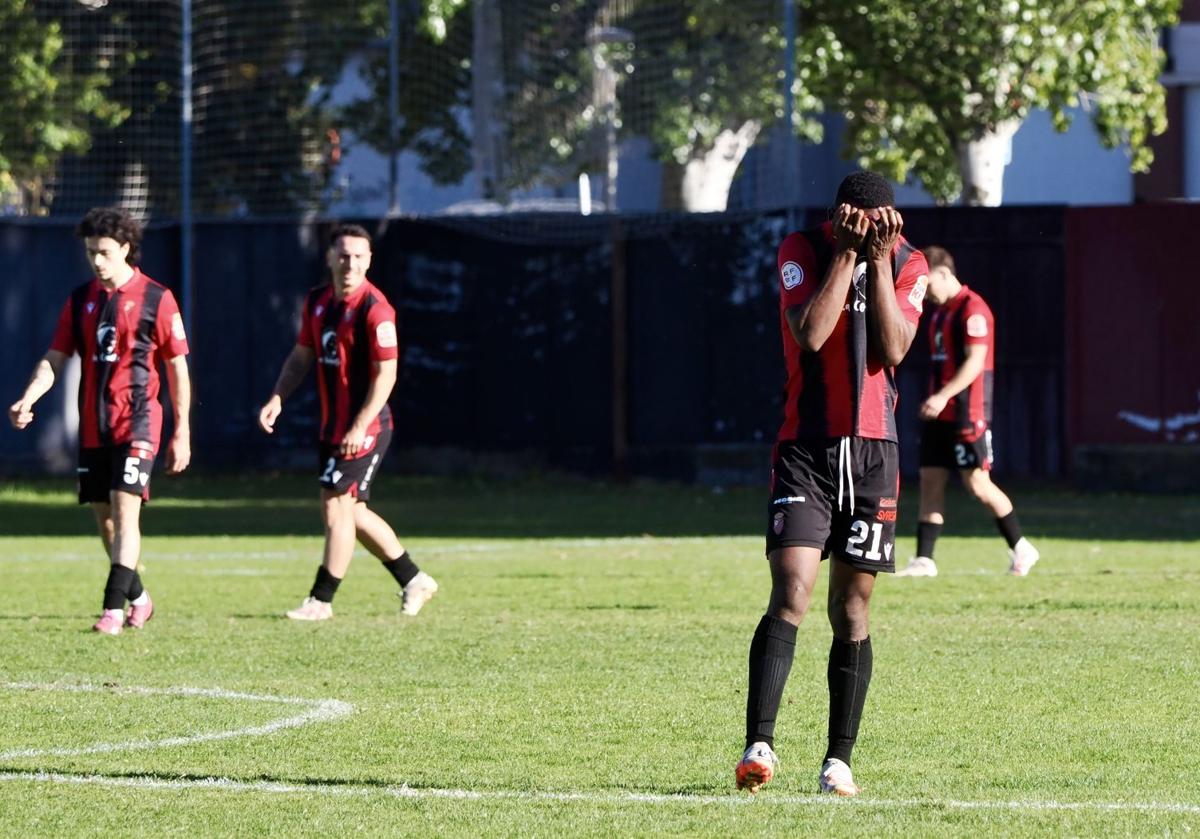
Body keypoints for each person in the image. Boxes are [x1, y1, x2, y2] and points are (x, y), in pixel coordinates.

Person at [736, 172, 929, 797]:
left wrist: (876, 262)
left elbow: (895, 350)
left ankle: (838, 761)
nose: (875, 230)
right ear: (842, 215)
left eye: (882, 224)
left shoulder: (909, 261)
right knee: (791, 588)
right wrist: (846, 254)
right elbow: (812, 334)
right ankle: (758, 746)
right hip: (806, 449)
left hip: (875, 454)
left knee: (852, 607)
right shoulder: (803, 248)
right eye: (863, 222)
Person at [8, 207, 192, 635]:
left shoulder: (157, 298)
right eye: (91, 252)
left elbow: (178, 369)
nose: (96, 260)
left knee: (127, 513)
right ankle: (140, 598)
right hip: (94, 425)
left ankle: (111, 611)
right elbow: (54, 360)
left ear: (126, 248)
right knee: (104, 519)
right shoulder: (80, 300)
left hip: (140, 423)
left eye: (105, 252)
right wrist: (28, 398)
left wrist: (181, 431)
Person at [259, 223, 438, 620]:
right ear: (329, 258)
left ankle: (321, 600)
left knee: (336, 508)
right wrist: (277, 397)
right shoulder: (318, 302)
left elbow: (386, 375)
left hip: (368, 429)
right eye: (343, 255)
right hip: (332, 428)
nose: (350, 263)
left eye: (359, 256)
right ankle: (413, 579)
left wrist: (360, 426)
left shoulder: (376, 309)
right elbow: (301, 355)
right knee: (353, 514)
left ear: (370, 260)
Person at [896, 246, 1039, 578]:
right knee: (931, 481)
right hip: (939, 414)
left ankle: (1021, 546)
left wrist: (943, 395)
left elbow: (975, 363)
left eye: (927, 283)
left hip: (965, 412)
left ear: (944, 273)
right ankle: (924, 560)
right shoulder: (939, 312)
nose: (925, 293)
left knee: (977, 484)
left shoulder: (973, 310)